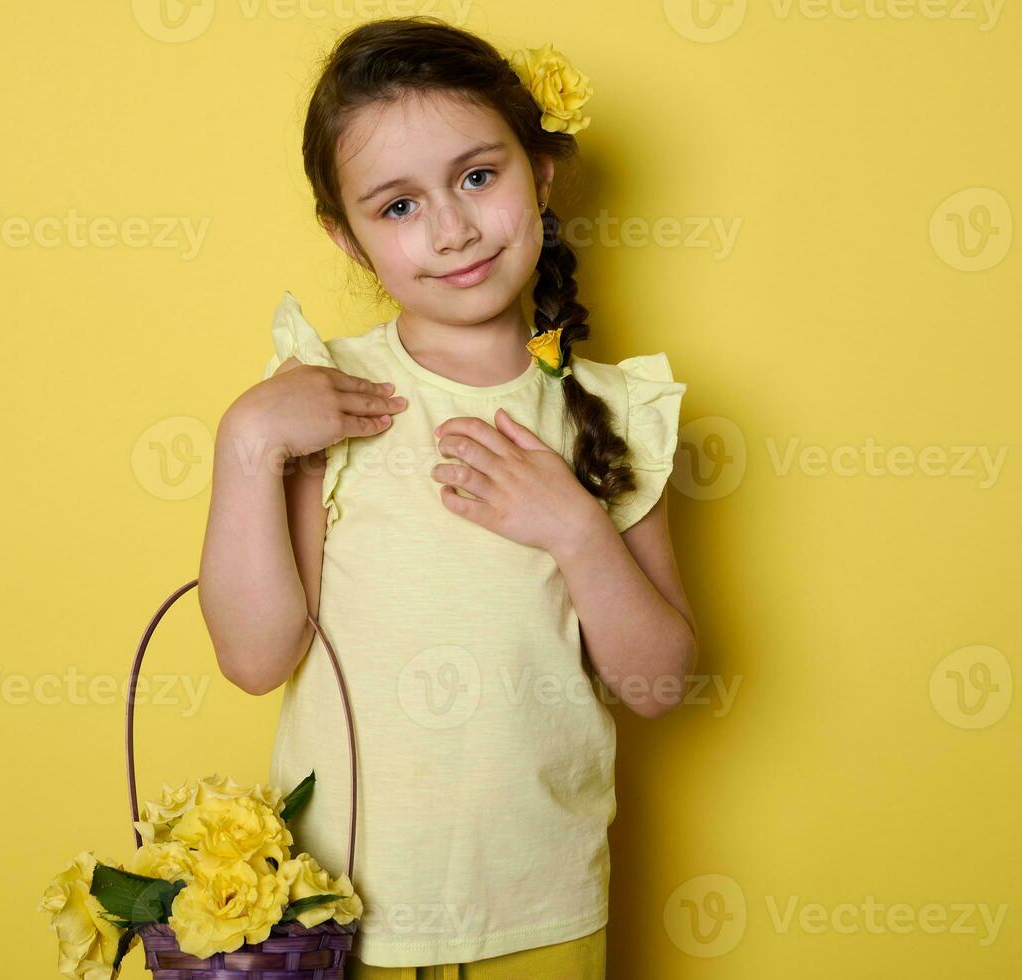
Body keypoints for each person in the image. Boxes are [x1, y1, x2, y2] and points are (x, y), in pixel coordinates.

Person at [198, 16, 698, 979]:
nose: (453, 228)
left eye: (478, 176)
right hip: (330, 918)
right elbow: (257, 658)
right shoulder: (320, 395)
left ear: (540, 174)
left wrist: (573, 528)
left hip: (539, 910)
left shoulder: (618, 413)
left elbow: (659, 683)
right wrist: (247, 441)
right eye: (397, 206)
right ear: (345, 237)